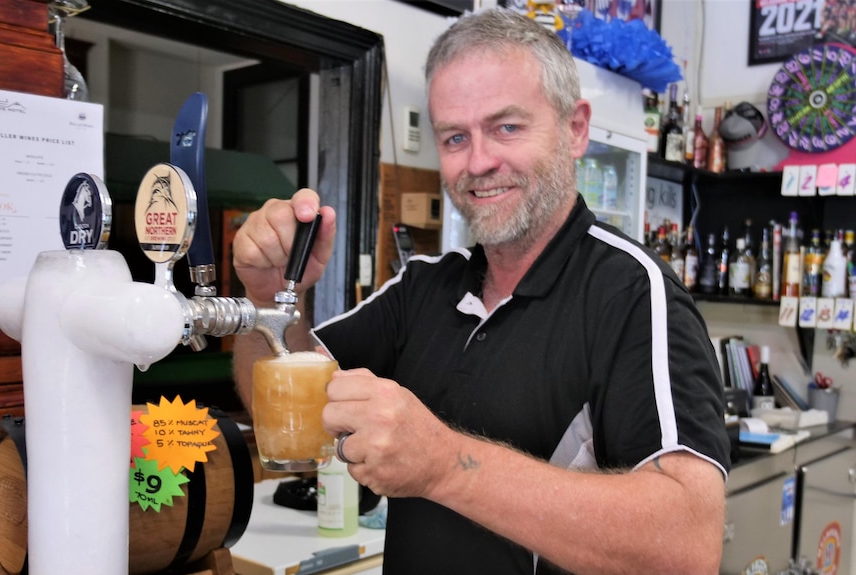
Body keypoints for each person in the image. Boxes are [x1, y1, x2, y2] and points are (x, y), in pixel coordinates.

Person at [232, 8, 730, 575]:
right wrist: (268, 300)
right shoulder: (424, 285)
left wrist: (444, 464)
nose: (479, 162)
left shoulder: (634, 294)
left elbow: (687, 545)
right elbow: (285, 410)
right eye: (454, 137)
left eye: (507, 127)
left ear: (574, 128)